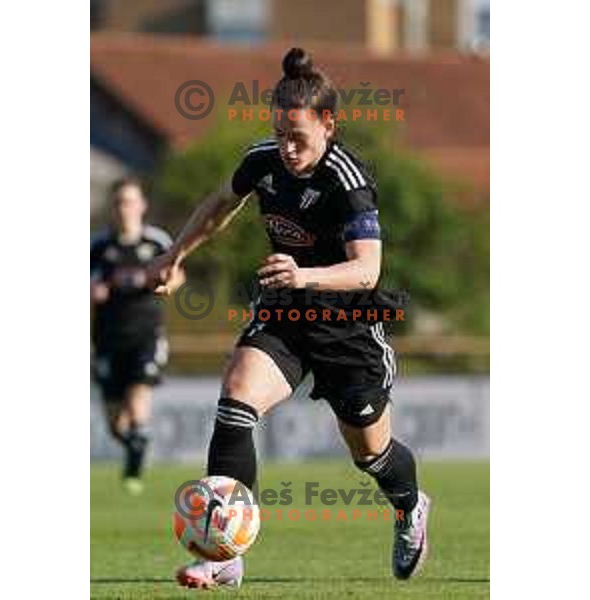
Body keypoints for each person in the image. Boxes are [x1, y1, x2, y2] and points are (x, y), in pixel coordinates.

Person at [149, 48, 430, 588]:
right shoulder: (264, 161)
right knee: (235, 400)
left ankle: (410, 505)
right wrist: (176, 253)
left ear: (329, 124)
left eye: (298, 136)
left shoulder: (348, 181)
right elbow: (218, 203)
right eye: (279, 133)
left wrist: (304, 274)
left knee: (371, 456)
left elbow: (366, 271)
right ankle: (224, 554)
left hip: (347, 328)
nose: (287, 147)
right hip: (284, 314)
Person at [91, 177, 184, 495]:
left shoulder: (156, 241)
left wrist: (168, 284)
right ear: (113, 208)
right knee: (116, 424)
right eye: (119, 202)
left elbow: (177, 273)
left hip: (146, 336)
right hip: (106, 340)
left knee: (138, 396)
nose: (124, 209)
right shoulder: (98, 247)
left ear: (141, 205)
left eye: (130, 201)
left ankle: (140, 439)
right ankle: (134, 444)